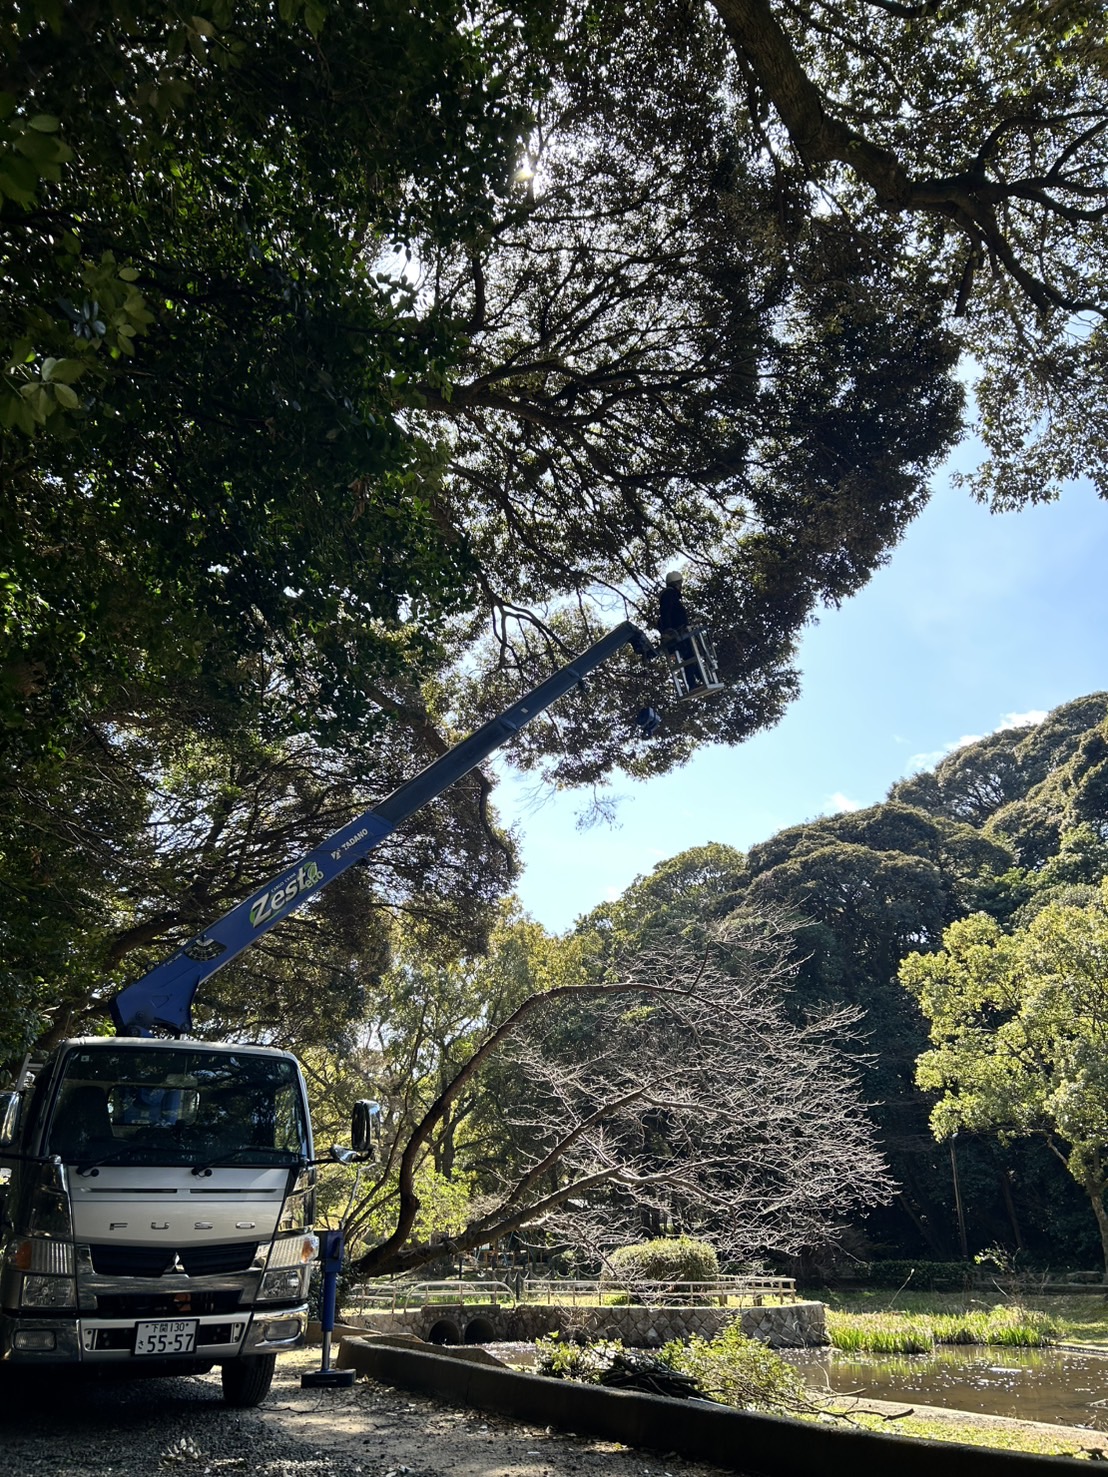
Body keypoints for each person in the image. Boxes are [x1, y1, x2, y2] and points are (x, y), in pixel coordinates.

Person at [656, 571, 703, 691]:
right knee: (690, 656)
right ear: (677, 583)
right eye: (680, 584)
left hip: (679, 631)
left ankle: (699, 679)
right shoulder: (670, 594)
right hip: (678, 632)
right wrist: (668, 630)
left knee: (690, 656)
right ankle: (697, 681)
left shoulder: (670, 596)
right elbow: (667, 613)